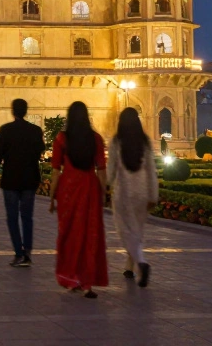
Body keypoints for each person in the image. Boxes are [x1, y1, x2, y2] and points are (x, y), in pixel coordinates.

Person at [48, 101, 107, 297]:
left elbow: (56, 170)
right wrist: (104, 193)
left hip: (68, 189)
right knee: (89, 235)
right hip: (89, 188)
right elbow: (101, 170)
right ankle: (87, 283)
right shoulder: (95, 139)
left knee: (69, 235)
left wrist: (51, 197)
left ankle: (72, 279)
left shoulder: (62, 139)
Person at [0, 98, 45, 267]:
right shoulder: (35, 130)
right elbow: (40, 151)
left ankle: (18, 253)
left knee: (12, 218)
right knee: (27, 217)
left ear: (13, 112)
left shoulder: (6, 130)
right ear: (26, 111)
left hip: (11, 180)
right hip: (29, 179)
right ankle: (27, 253)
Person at [108, 107, 158, 286]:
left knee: (125, 231)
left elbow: (111, 170)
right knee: (137, 231)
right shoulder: (145, 142)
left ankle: (141, 262)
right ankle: (129, 266)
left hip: (124, 193)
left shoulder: (116, 141)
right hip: (142, 192)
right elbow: (152, 170)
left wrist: (105, 184)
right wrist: (153, 194)